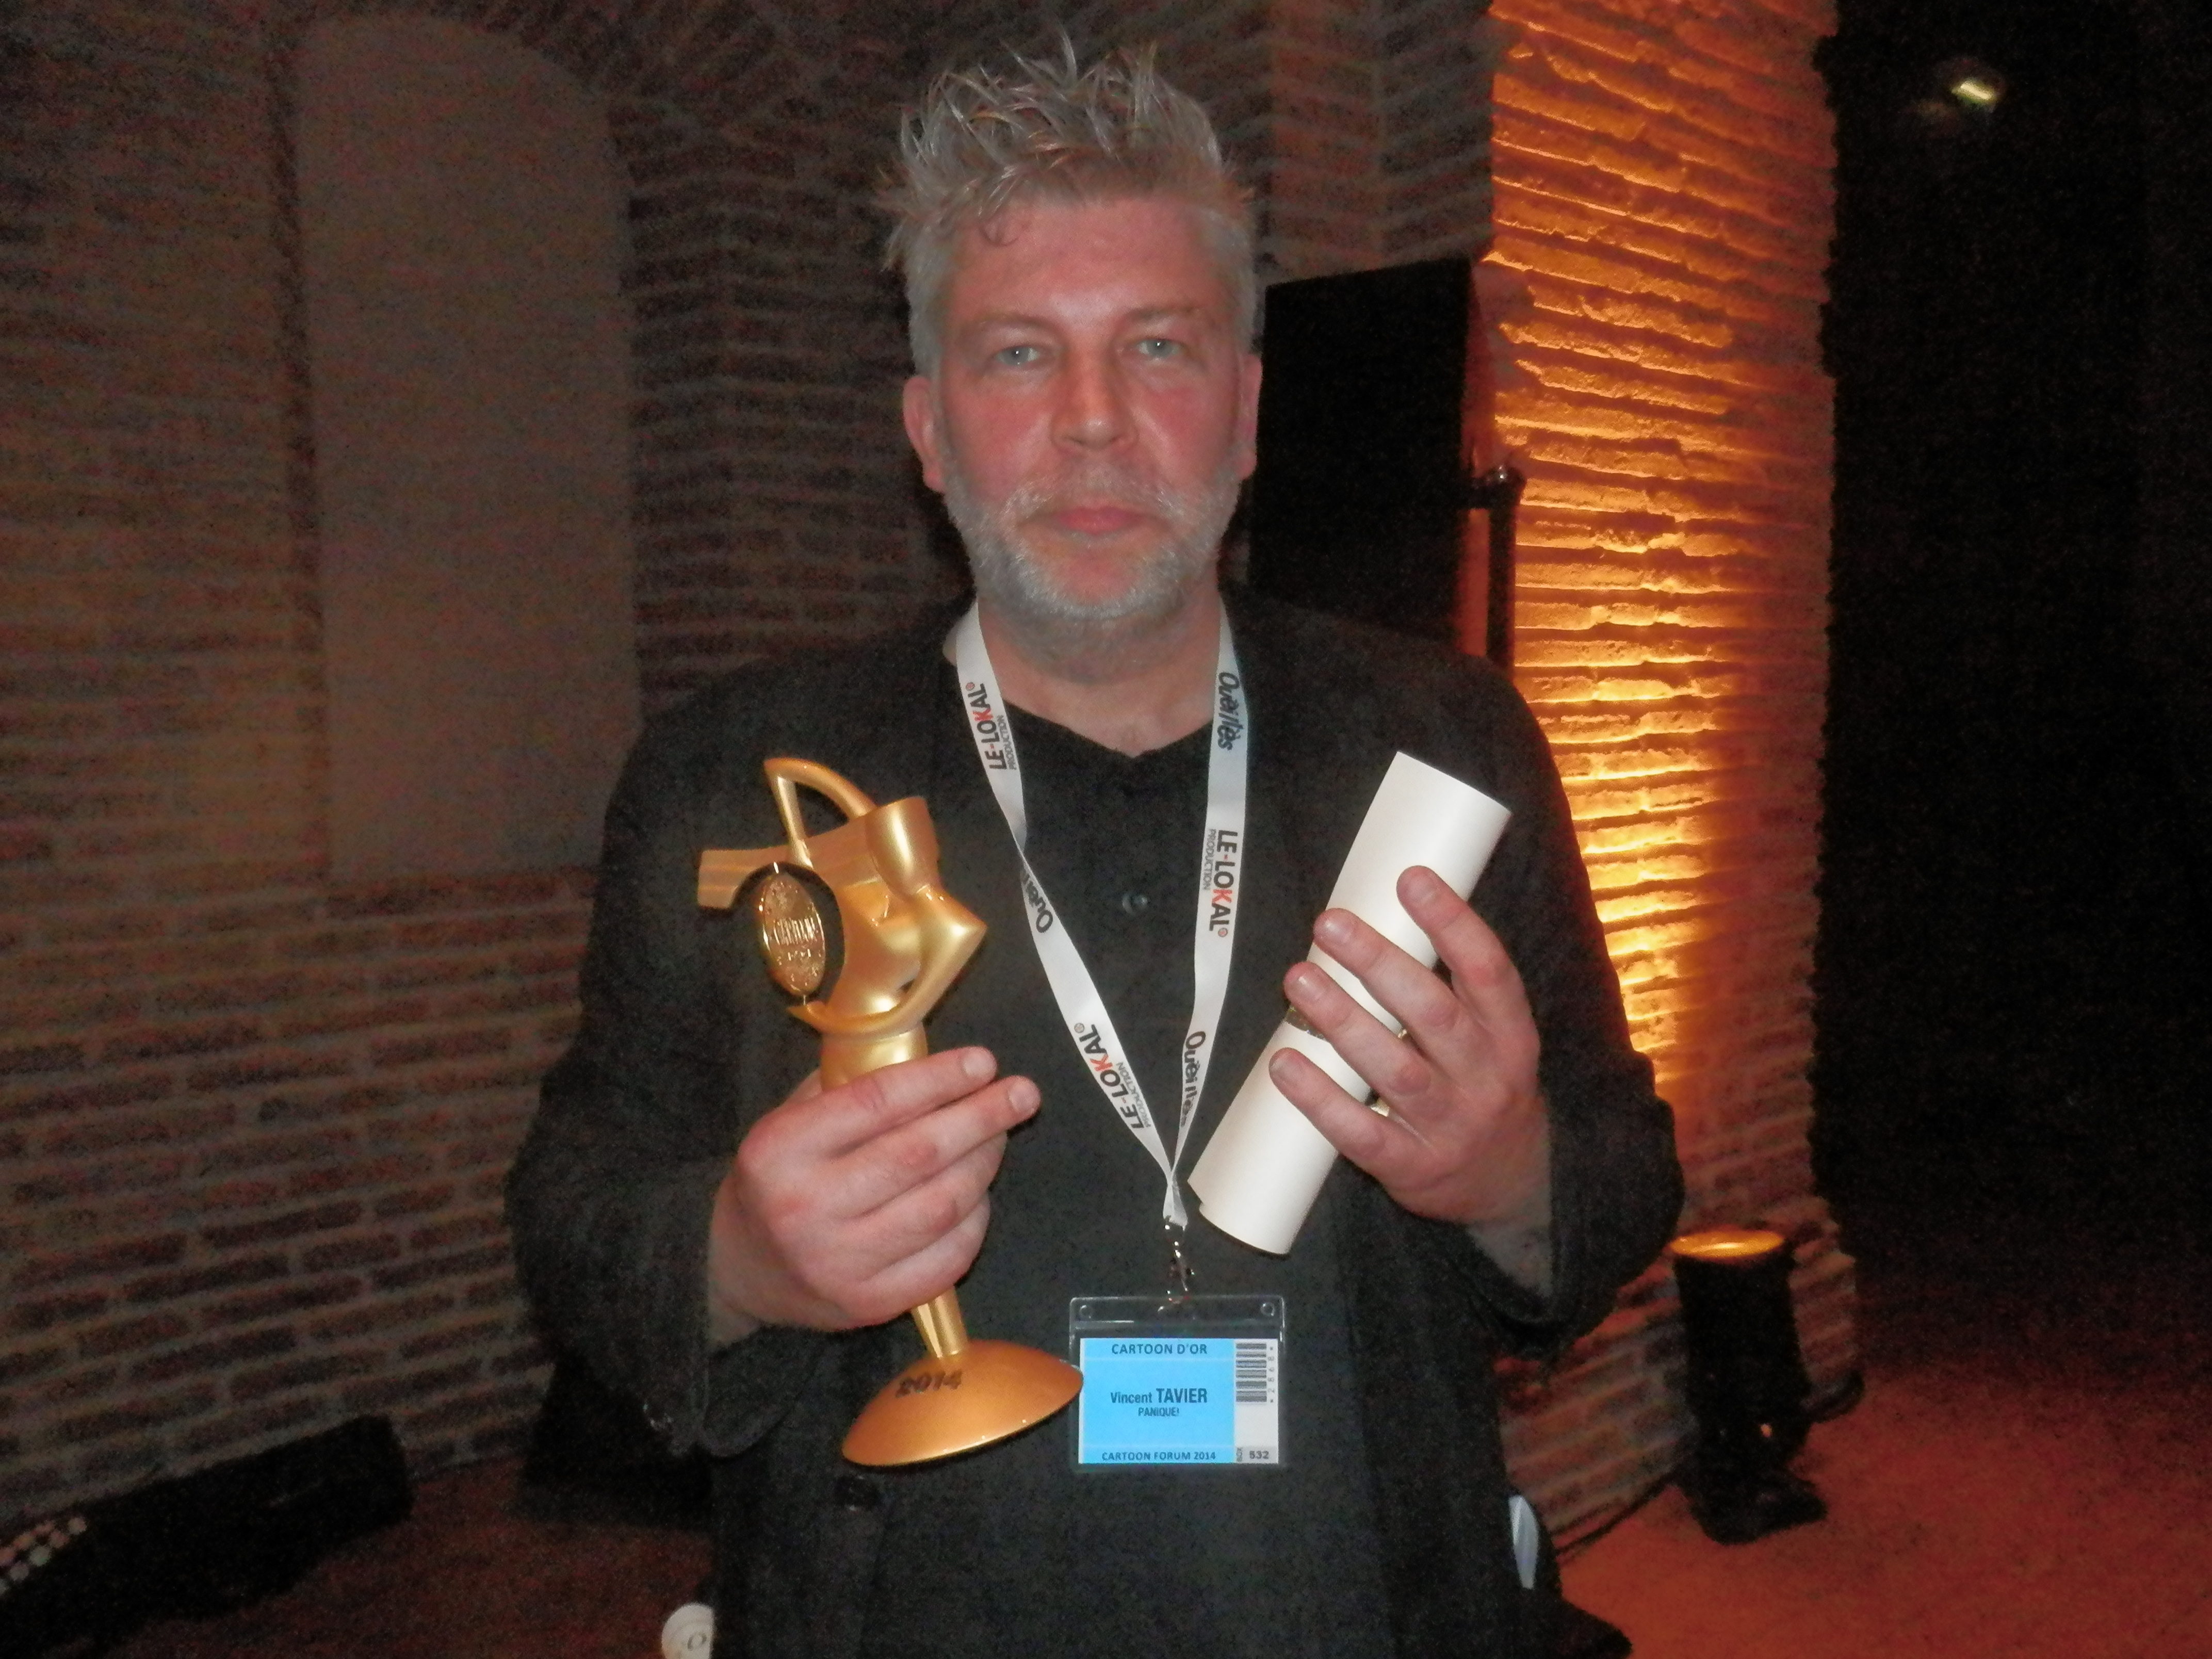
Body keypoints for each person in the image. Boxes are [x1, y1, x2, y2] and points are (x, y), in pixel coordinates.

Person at [507, 44, 1681, 1659]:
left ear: (1246, 413)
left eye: (1157, 346)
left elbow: (1626, 1170)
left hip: (1367, 1605)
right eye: (1017, 355)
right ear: (929, 429)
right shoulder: (733, 774)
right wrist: (736, 1258)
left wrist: (1515, 1174)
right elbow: (575, 1204)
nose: (1093, 421)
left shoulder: (1447, 741)